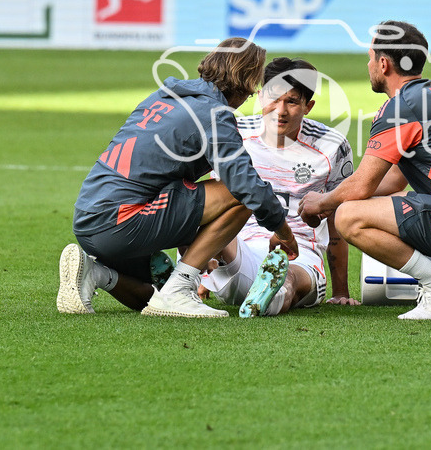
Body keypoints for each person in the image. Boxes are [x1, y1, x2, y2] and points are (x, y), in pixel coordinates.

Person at [57, 38, 299, 319]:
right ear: (244, 82)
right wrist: (284, 233)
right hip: (121, 222)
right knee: (239, 196)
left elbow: (163, 175)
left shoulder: (163, 97)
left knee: (152, 296)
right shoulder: (214, 113)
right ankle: (180, 289)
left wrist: (193, 242)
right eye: (254, 84)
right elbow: (247, 187)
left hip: (88, 219)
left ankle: (96, 273)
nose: (252, 93)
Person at [299, 21, 431, 320]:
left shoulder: (402, 107)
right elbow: (392, 181)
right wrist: (334, 196)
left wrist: (322, 202)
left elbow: (362, 186)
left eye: (370, 57)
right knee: (369, 204)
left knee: (348, 216)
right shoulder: (428, 96)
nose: (368, 64)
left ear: (383, 64)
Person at [198, 57, 360, 316]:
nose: (280, 110)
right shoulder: (234, 133)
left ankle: (270, 292)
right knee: (197, 202)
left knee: (289, 279)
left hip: (300, 253)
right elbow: (211, 204)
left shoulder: (332, 146)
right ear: (260, 96)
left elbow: (335, 221)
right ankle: (191, 277)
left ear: (308, 106)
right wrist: (202, 269)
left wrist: (341, 292)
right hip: (238, 246)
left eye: (292, 101)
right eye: (274, 99)